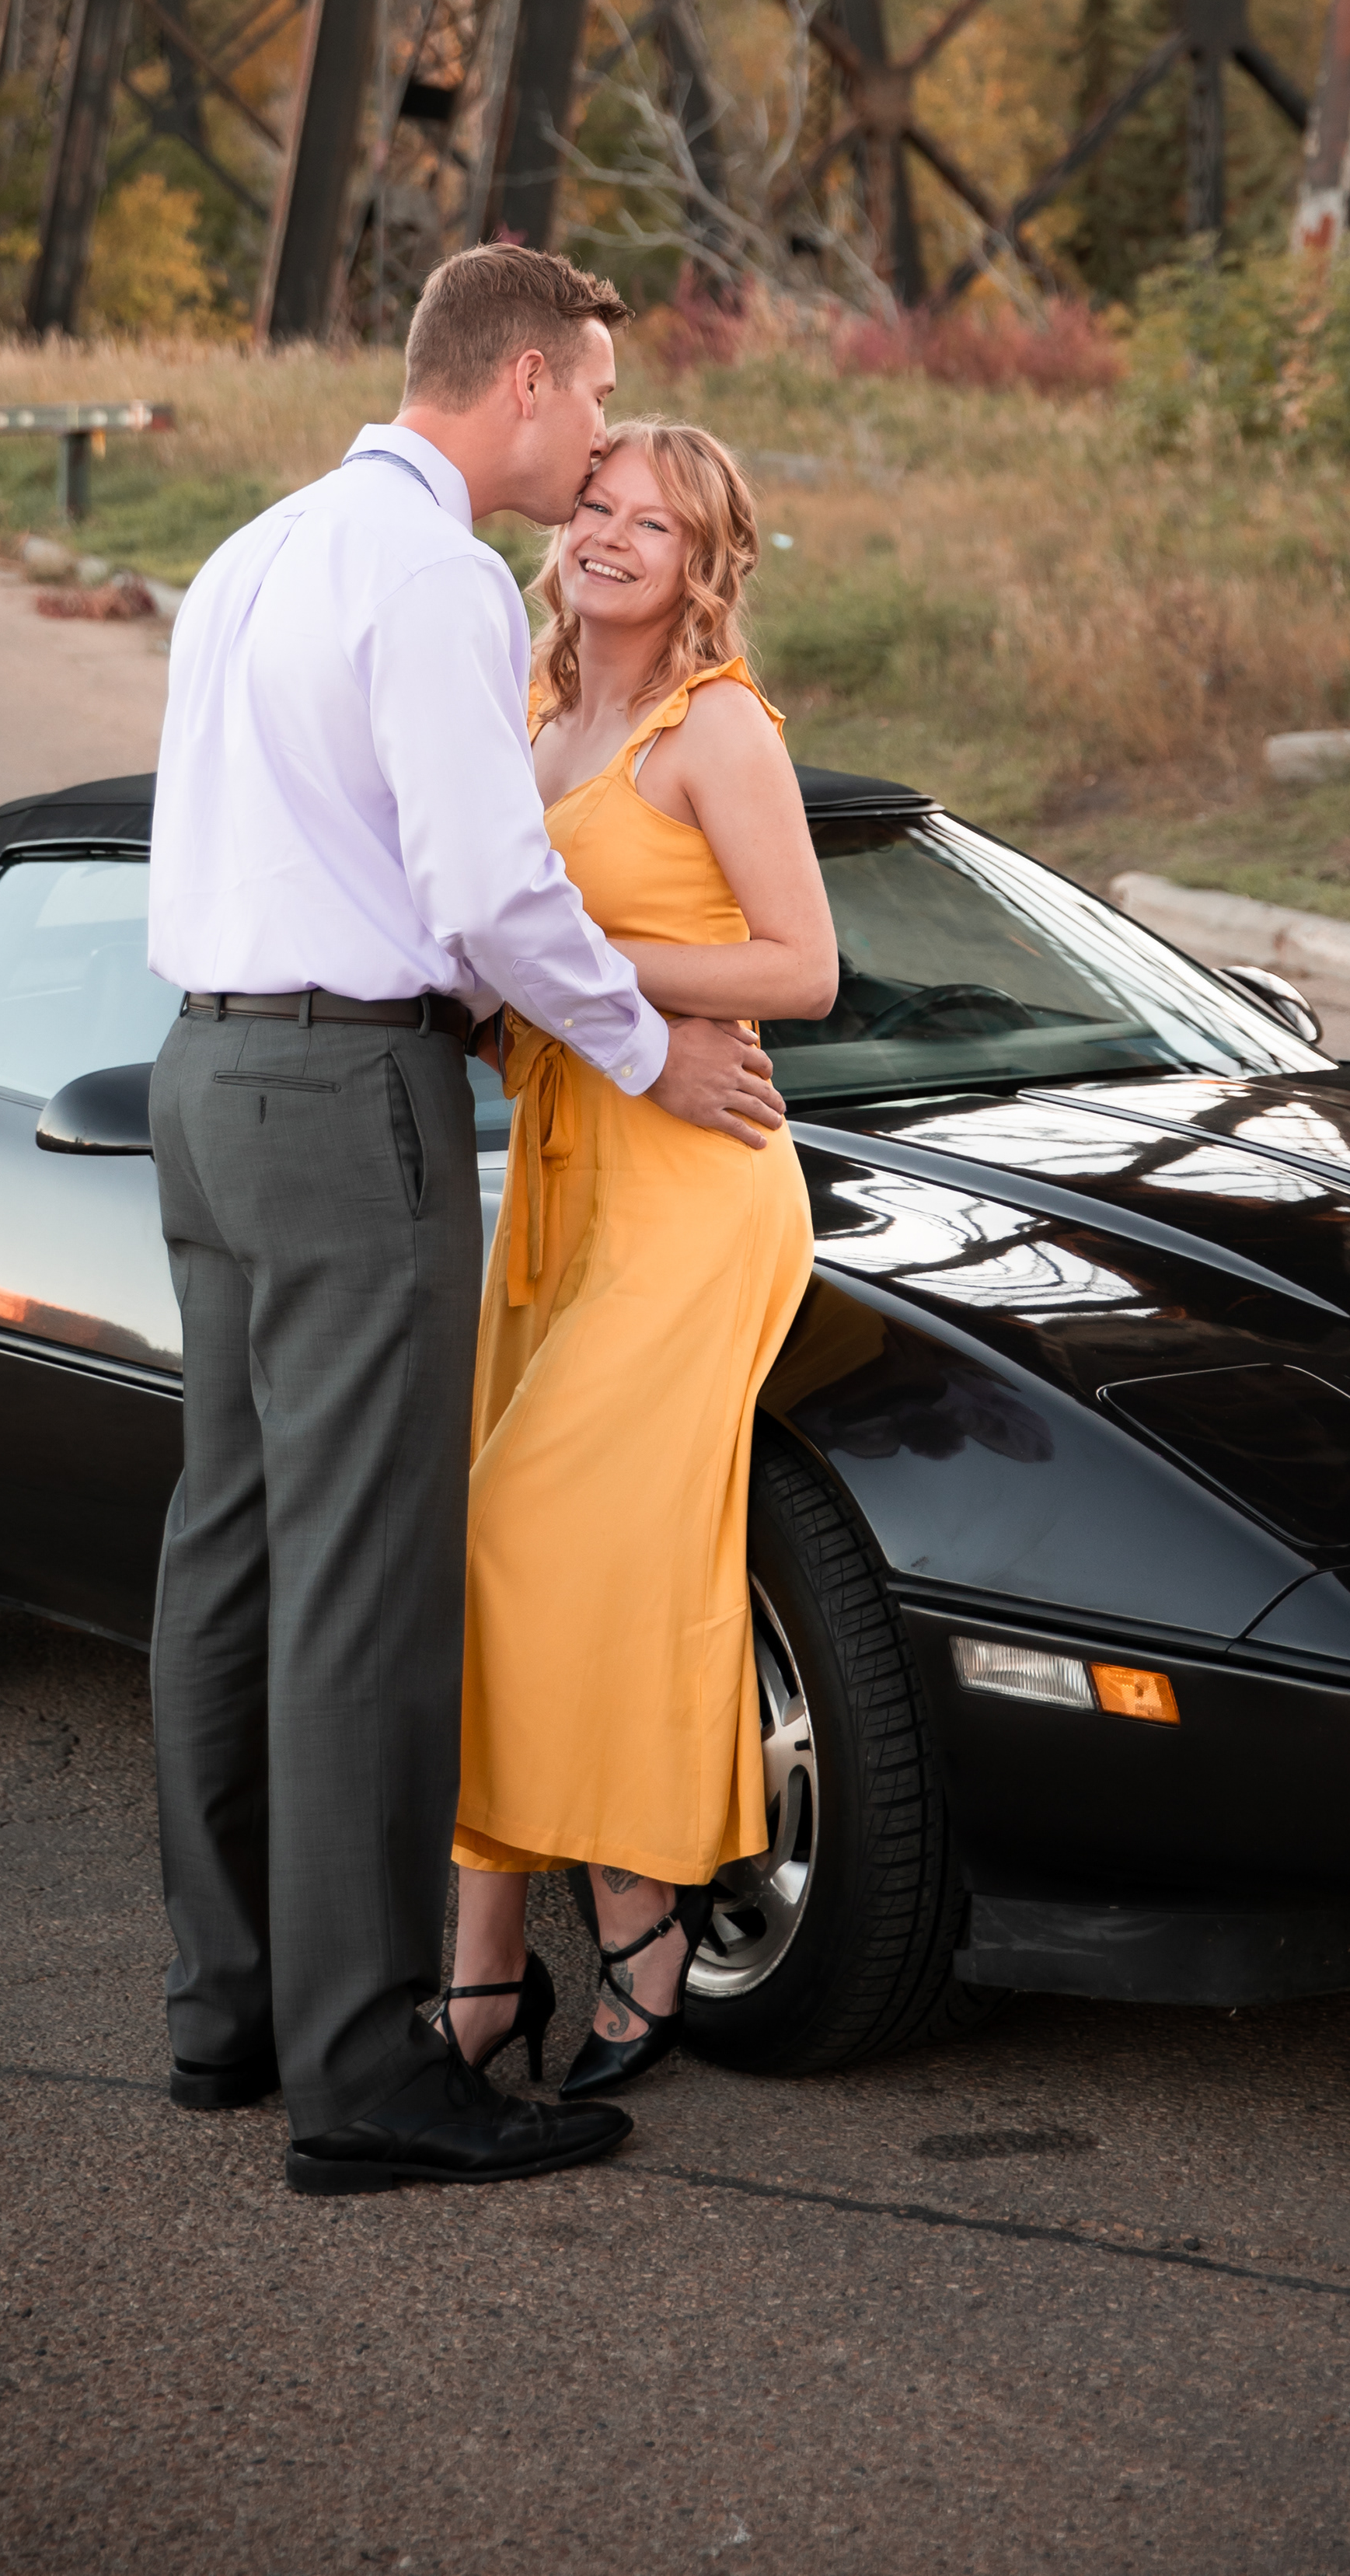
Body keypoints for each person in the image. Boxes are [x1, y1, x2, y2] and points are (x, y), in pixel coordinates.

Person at [142, 248, 785, 2200]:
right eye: (592, 400)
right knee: (363, 1584)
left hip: (205, 1072)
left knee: (232, 1550)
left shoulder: (259, 548)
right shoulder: (425, 578)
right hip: (346, 1093)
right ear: (518, 384)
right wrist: (644, 1048)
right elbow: (492, 892)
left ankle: (229, 2011)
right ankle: (368, 2077)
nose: (598, 437)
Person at [439, 419, 838, 2099]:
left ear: (702, 564)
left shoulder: (712, 729)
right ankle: (483, 1977)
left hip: (695, 1179)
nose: (606, 535)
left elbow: (807, 971)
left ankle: (638, 1928)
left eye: (650, 523)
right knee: (508, 1546)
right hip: (556, 1175)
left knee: (537, 1532)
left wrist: (581, 951)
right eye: (594, 505)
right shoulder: (534, 713)